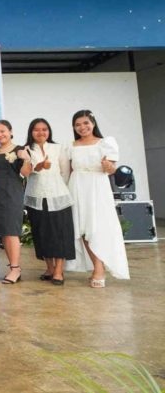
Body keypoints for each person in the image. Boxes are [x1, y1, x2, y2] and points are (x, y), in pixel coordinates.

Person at [65, 110, 129, 287]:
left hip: (97, 187)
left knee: (98, 226)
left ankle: (100, 268)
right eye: (78, 124)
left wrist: (109, 166)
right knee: (83, 228)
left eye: (86, 123)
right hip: (77, 186)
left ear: (93, 123)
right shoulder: (71, 145)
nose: (82, 127)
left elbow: (111, 169)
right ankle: (97, 266)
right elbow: (69, 170)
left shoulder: (105, 143)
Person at [23, 118, 75, 286]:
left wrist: (61, 189)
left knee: (60, 233)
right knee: (42, 233)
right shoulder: (26, 150)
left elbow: (65, 173)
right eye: (37, 129)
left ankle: (59, 270)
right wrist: (38, 166)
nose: (41, 132)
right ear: (31, 132)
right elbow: (26, 173)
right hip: (36, 197)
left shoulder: (58, 148)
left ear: (49, 131)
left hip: (58, 196)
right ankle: (50, 268)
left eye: (44, 129)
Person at [0, 120, 32, 284]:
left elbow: (26, 173)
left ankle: (15, 269)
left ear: (10, 131)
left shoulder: (19, 150)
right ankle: (13, 267)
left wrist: (25, 159)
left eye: (2, 131)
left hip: (12, 194)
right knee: (3, 232)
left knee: (11, 231)